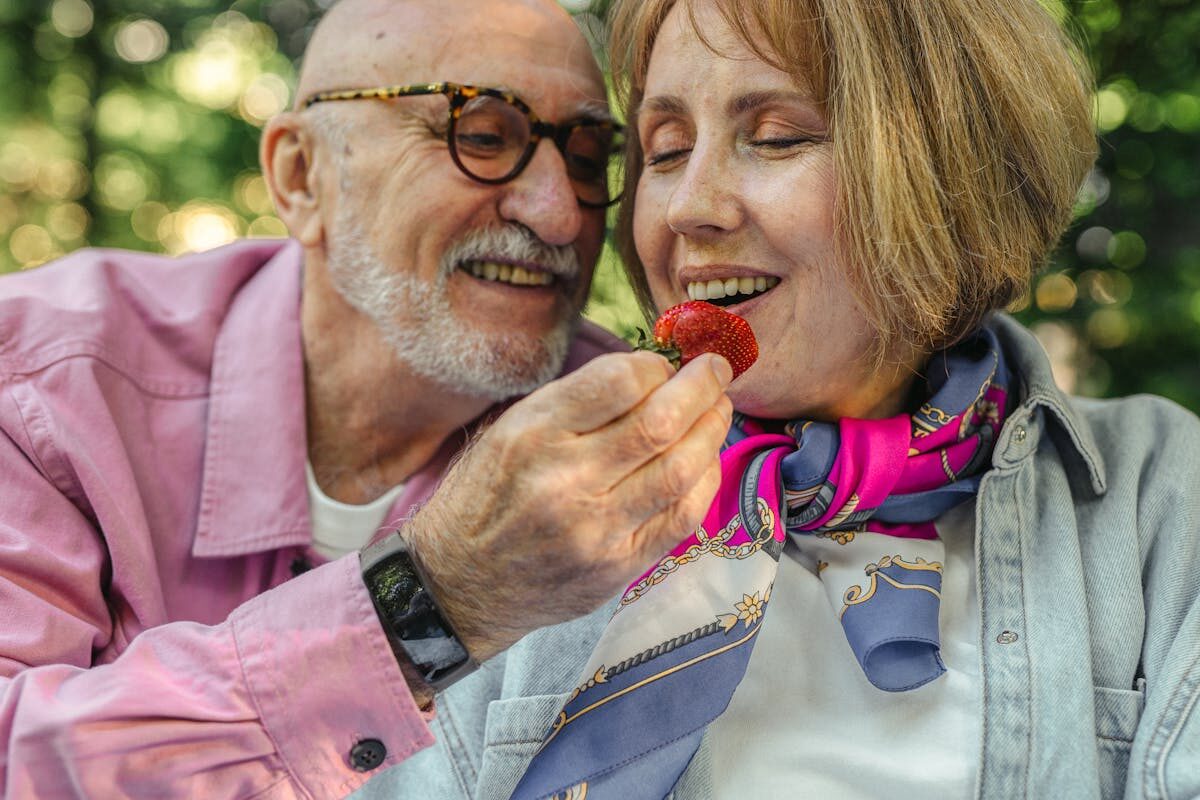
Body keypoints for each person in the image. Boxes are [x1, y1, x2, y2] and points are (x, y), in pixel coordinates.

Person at [354, 0, 1200, 798]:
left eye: (777, 137)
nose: (689, 209)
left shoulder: (1165, 504)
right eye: (667, 148)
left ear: (954, 180)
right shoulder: (518, 507)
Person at [0, 0, 735, 796]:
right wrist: (429, 601)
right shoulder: (51, 382)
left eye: (590, 160)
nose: (558, 215)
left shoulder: (639, 443)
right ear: (300, 174)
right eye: (482, 136)